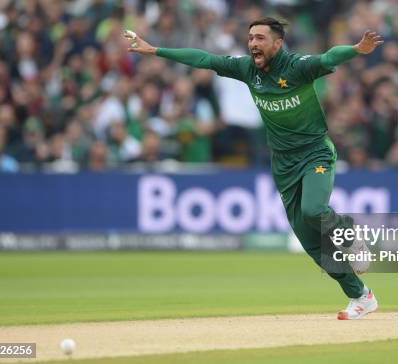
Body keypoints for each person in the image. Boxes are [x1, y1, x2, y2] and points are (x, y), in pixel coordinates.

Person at [126, 17, 383, 320]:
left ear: (278, 43)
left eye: (260, 38)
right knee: (313, 244)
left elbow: (328, 57)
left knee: (314, 211)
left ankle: (348, 233)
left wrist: (356, 48)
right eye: (250, 38)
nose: (253, 44)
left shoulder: (298, 67)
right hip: (283, 163)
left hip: (315, 153)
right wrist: (155, 50)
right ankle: (361, 296)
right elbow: (204, 59)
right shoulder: (248, 69)